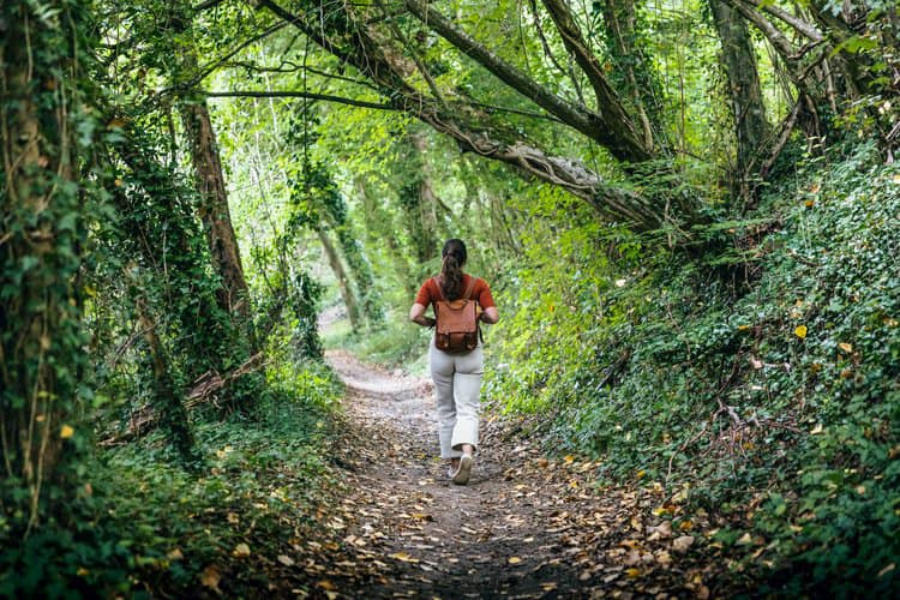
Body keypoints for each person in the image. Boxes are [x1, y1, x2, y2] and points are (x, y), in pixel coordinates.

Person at [409, 239, 499, 485]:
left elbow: (414, 315)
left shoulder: (431, 285)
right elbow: (494, 316)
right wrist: (476, 315)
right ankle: (468, 452)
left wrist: (434, 323)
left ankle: (454, 463)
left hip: (441, 351)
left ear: (443, 258)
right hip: (470, 350)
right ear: (465, 259)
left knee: (446, 409)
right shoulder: (477, 285)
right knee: (468, 408)